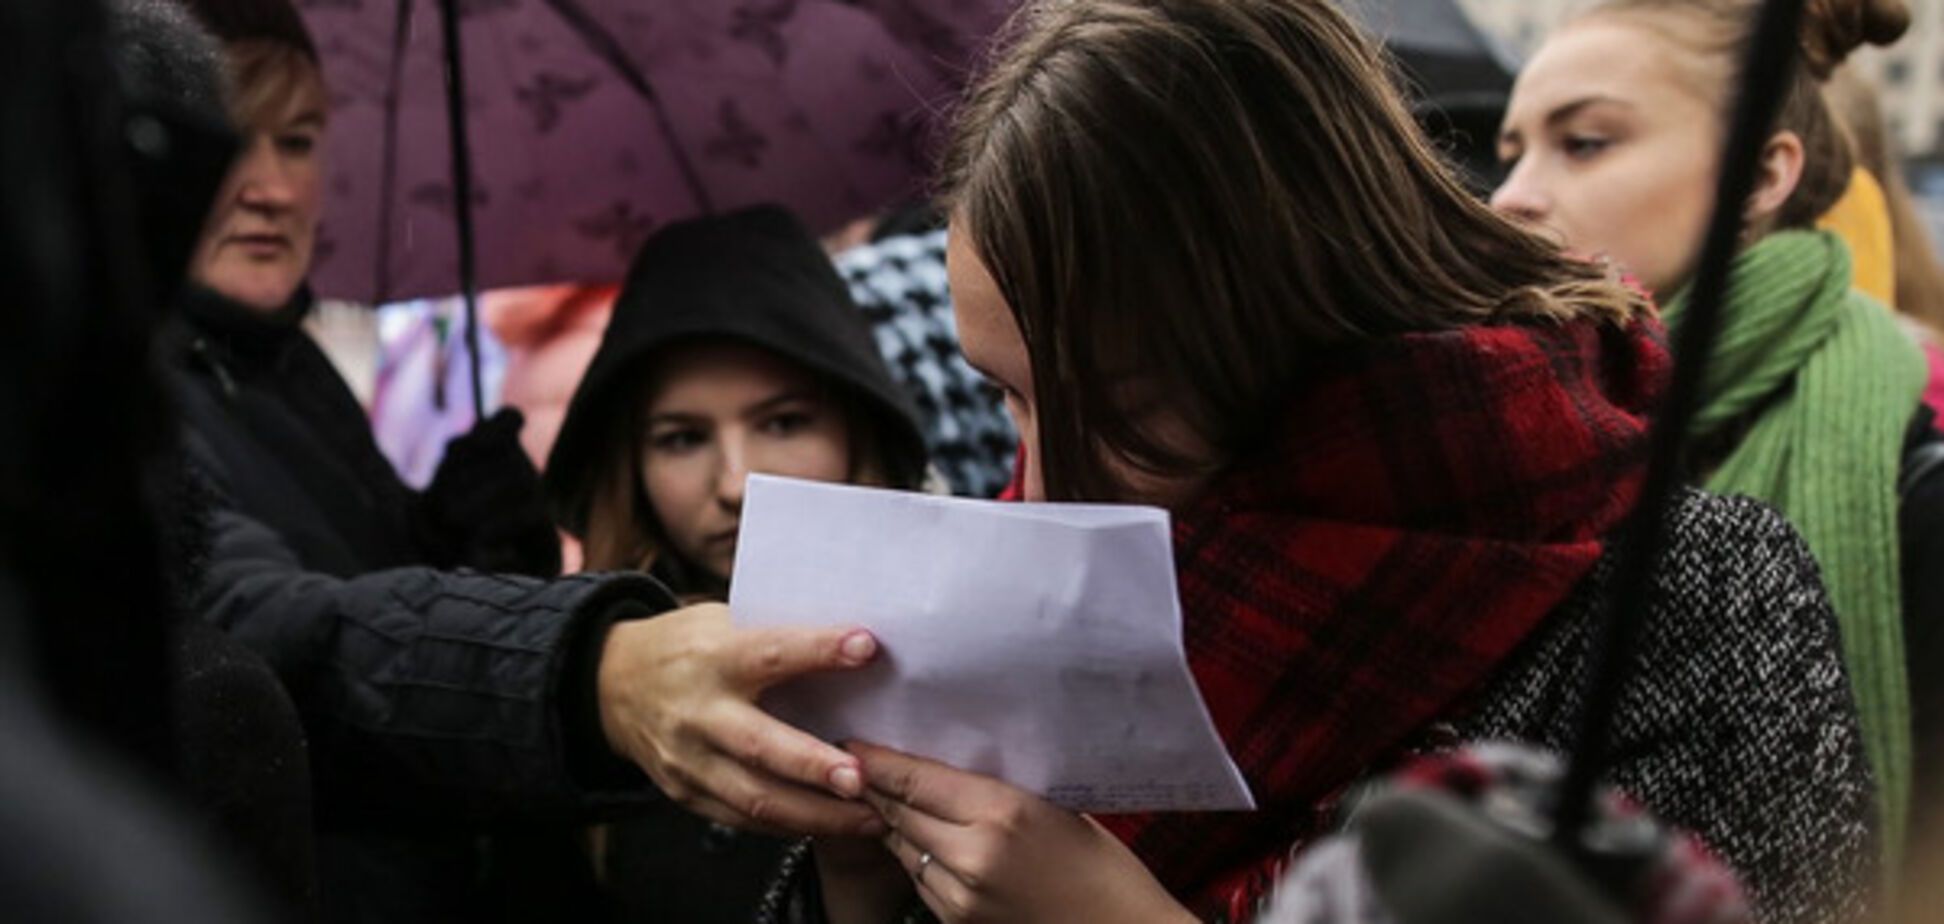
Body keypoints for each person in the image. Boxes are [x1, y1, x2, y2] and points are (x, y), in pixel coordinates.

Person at [758, 2, 1873, 923]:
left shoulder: (1693, 595)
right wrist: (856, 877)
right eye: (1006, 394)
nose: (1041, 486)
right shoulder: (1003, 603)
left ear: (1302, 308)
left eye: (1124, 405)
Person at [160, 2, 895, 920]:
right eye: (228, 142)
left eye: (300, 141)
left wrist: (459, 538)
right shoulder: (105, 391)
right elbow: (267, 630)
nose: (270, 185)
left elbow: (354, 595)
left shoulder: (282, 363)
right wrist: (592, 669)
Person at [1489, 0, 1939, 872]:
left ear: (1762, 175)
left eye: (1584, 142)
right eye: (1512, 153)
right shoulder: (1501, 456)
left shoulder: (1916, 498)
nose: (1512, 197)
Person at [541, 204, 928, 922]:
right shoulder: (581, 686)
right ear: (628, 463)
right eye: (682, 439)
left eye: (783, 423)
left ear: (857, 426)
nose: (734, 484)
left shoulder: (952, 647)